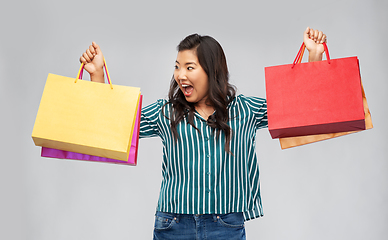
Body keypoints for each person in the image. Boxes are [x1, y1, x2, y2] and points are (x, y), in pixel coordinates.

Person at [80, 27, 327, 240]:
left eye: (189, 67)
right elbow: (115, 125)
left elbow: (299, 110)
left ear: (212, 71)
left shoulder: (245, 110)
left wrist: (313, 56)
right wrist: (97, 74)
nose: (180, 75)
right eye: (177, 67)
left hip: (226, 226)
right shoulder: (166, 113)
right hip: (173, 225)